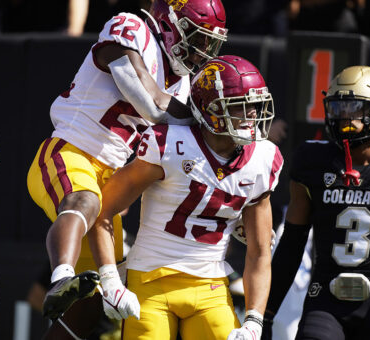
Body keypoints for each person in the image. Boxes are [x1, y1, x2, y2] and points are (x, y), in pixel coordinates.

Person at [26, 0, 228, 338]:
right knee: (83, 202)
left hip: (111, 177)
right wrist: (205, 117)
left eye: (211, 42)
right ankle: (60, 277)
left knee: (90, 307)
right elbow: (148, 99)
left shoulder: (181, 81)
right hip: (72, 149)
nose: (203, 49)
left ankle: (71, 293)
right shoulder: (131, 27)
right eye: (198, 36)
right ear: (170, 22)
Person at [90, 55, 283, 340]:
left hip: (211, 288)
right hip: (151, 279)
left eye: (255, 105)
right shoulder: (170, 145)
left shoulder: (263, 159)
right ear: (211, 111)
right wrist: (110, 280)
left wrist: (254, 319)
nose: (253, 114)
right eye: (242, 106)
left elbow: (259, 250)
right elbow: (103, 209)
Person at [261, 65, 370, 340]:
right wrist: (265, 314)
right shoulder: (313, 161)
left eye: (354, 109)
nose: (344, 118)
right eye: (338, 109)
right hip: (325, 301)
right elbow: (291, 245)